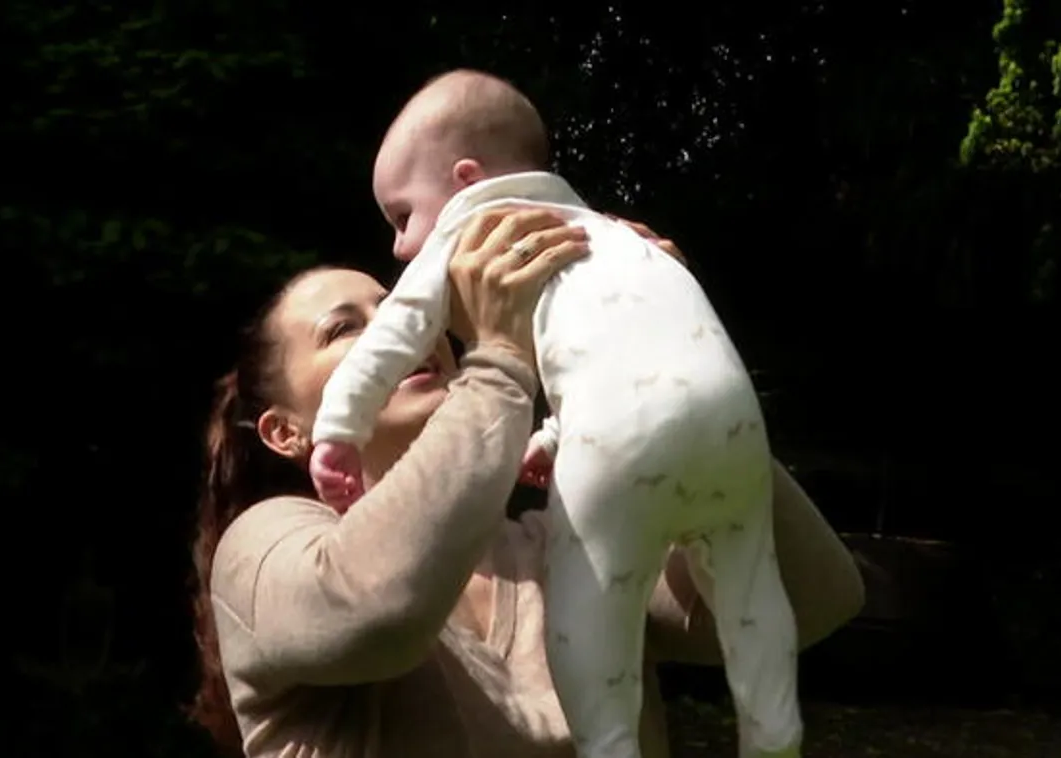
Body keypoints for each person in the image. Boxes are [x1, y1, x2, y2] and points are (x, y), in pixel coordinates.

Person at [188, 204, 865, 757]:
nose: (397, 329)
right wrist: (502, 357)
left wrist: (676, 366)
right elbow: (378, 612)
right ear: (284, 432)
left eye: (395, 306)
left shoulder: (565, 546)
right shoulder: (262, 549)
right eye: (343, 328)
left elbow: (816, 598)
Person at [309, 70, 799, 757]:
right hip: (733, 423)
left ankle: (608, 744)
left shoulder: (472, 224)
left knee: (589, 617)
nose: (398, 246)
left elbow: (397, 333)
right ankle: (775, 736)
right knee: (750, 588)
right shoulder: (616, 235)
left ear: (465, 179)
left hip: (618, 447)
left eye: (401, 216)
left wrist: (338, 428)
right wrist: (553, 434)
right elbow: (623, 366)